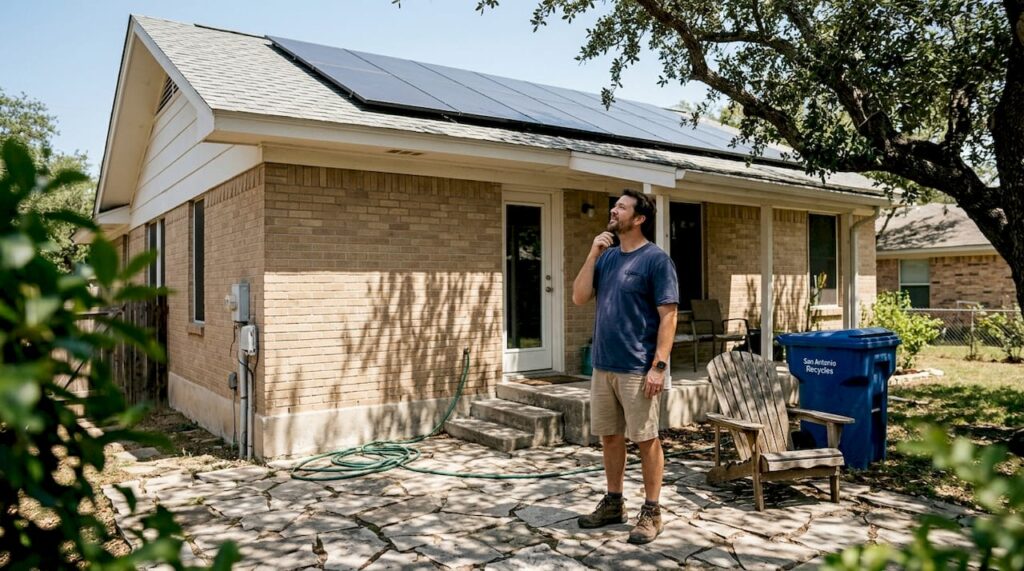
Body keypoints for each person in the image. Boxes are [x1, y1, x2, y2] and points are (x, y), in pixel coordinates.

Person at [571, 189, 678, 545]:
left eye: (621, 207)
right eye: (614, 206)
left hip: (637, 366)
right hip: (604, 365)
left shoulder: (656, 260)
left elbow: (669, 316)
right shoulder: (607, 257)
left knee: (646, 438)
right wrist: (592, 253)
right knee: (610, 437)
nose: (613, 210)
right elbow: (579, 296)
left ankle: (652, 511)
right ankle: (614, 502)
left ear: (639, 218)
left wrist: (658, 366)